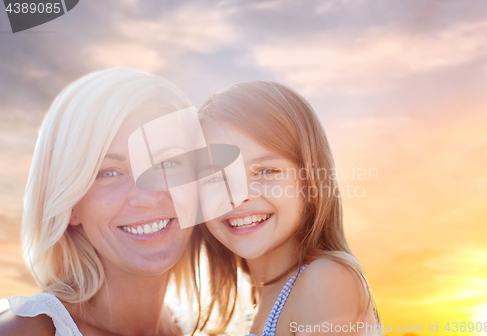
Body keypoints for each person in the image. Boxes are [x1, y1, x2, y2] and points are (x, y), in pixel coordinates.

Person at [0, 68, 206, 336]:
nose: (146, 197)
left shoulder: (194, 328)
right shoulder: (26, 331)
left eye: (166, 164)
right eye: (109, 172)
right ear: (71, 205)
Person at [197, 81, 380, 335]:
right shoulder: (258, 305)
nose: (238, 197)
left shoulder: (324, 281)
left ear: (310, 179)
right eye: (216, 176)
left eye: (265, 170)